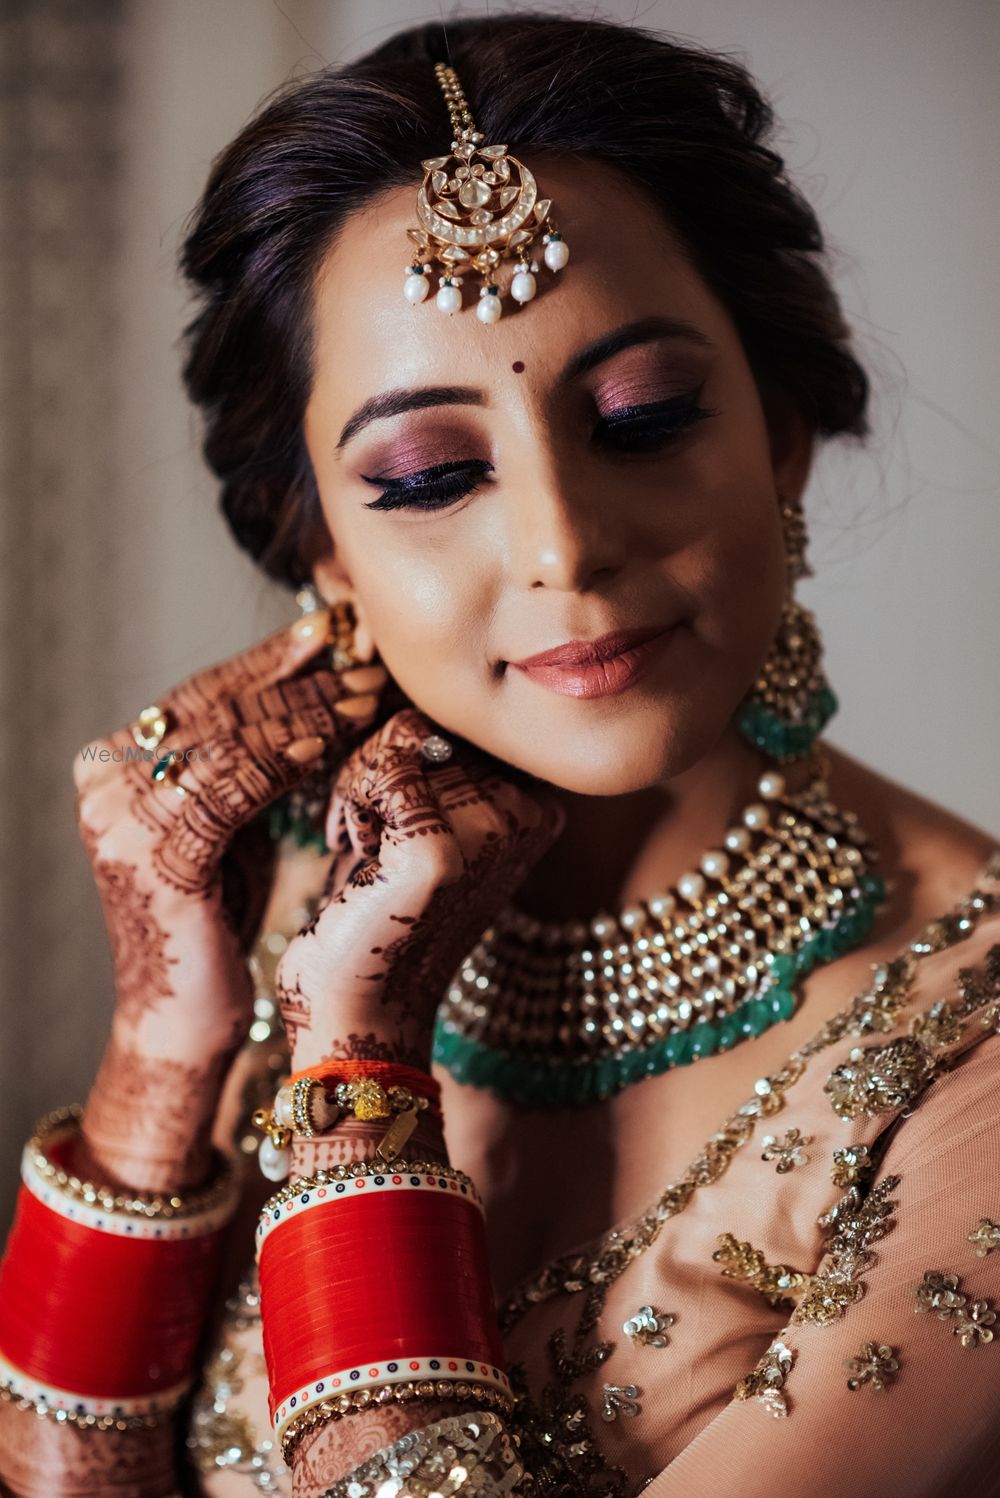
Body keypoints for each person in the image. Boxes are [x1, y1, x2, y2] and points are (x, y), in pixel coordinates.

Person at [1, 14, 998, 1498]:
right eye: (428, 475)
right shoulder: (303, 895)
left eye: (643, 419)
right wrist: (162, 1048)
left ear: (781, 438)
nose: (561, 546)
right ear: (319, 546)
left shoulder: (967, 1038)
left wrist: (358, 1070)